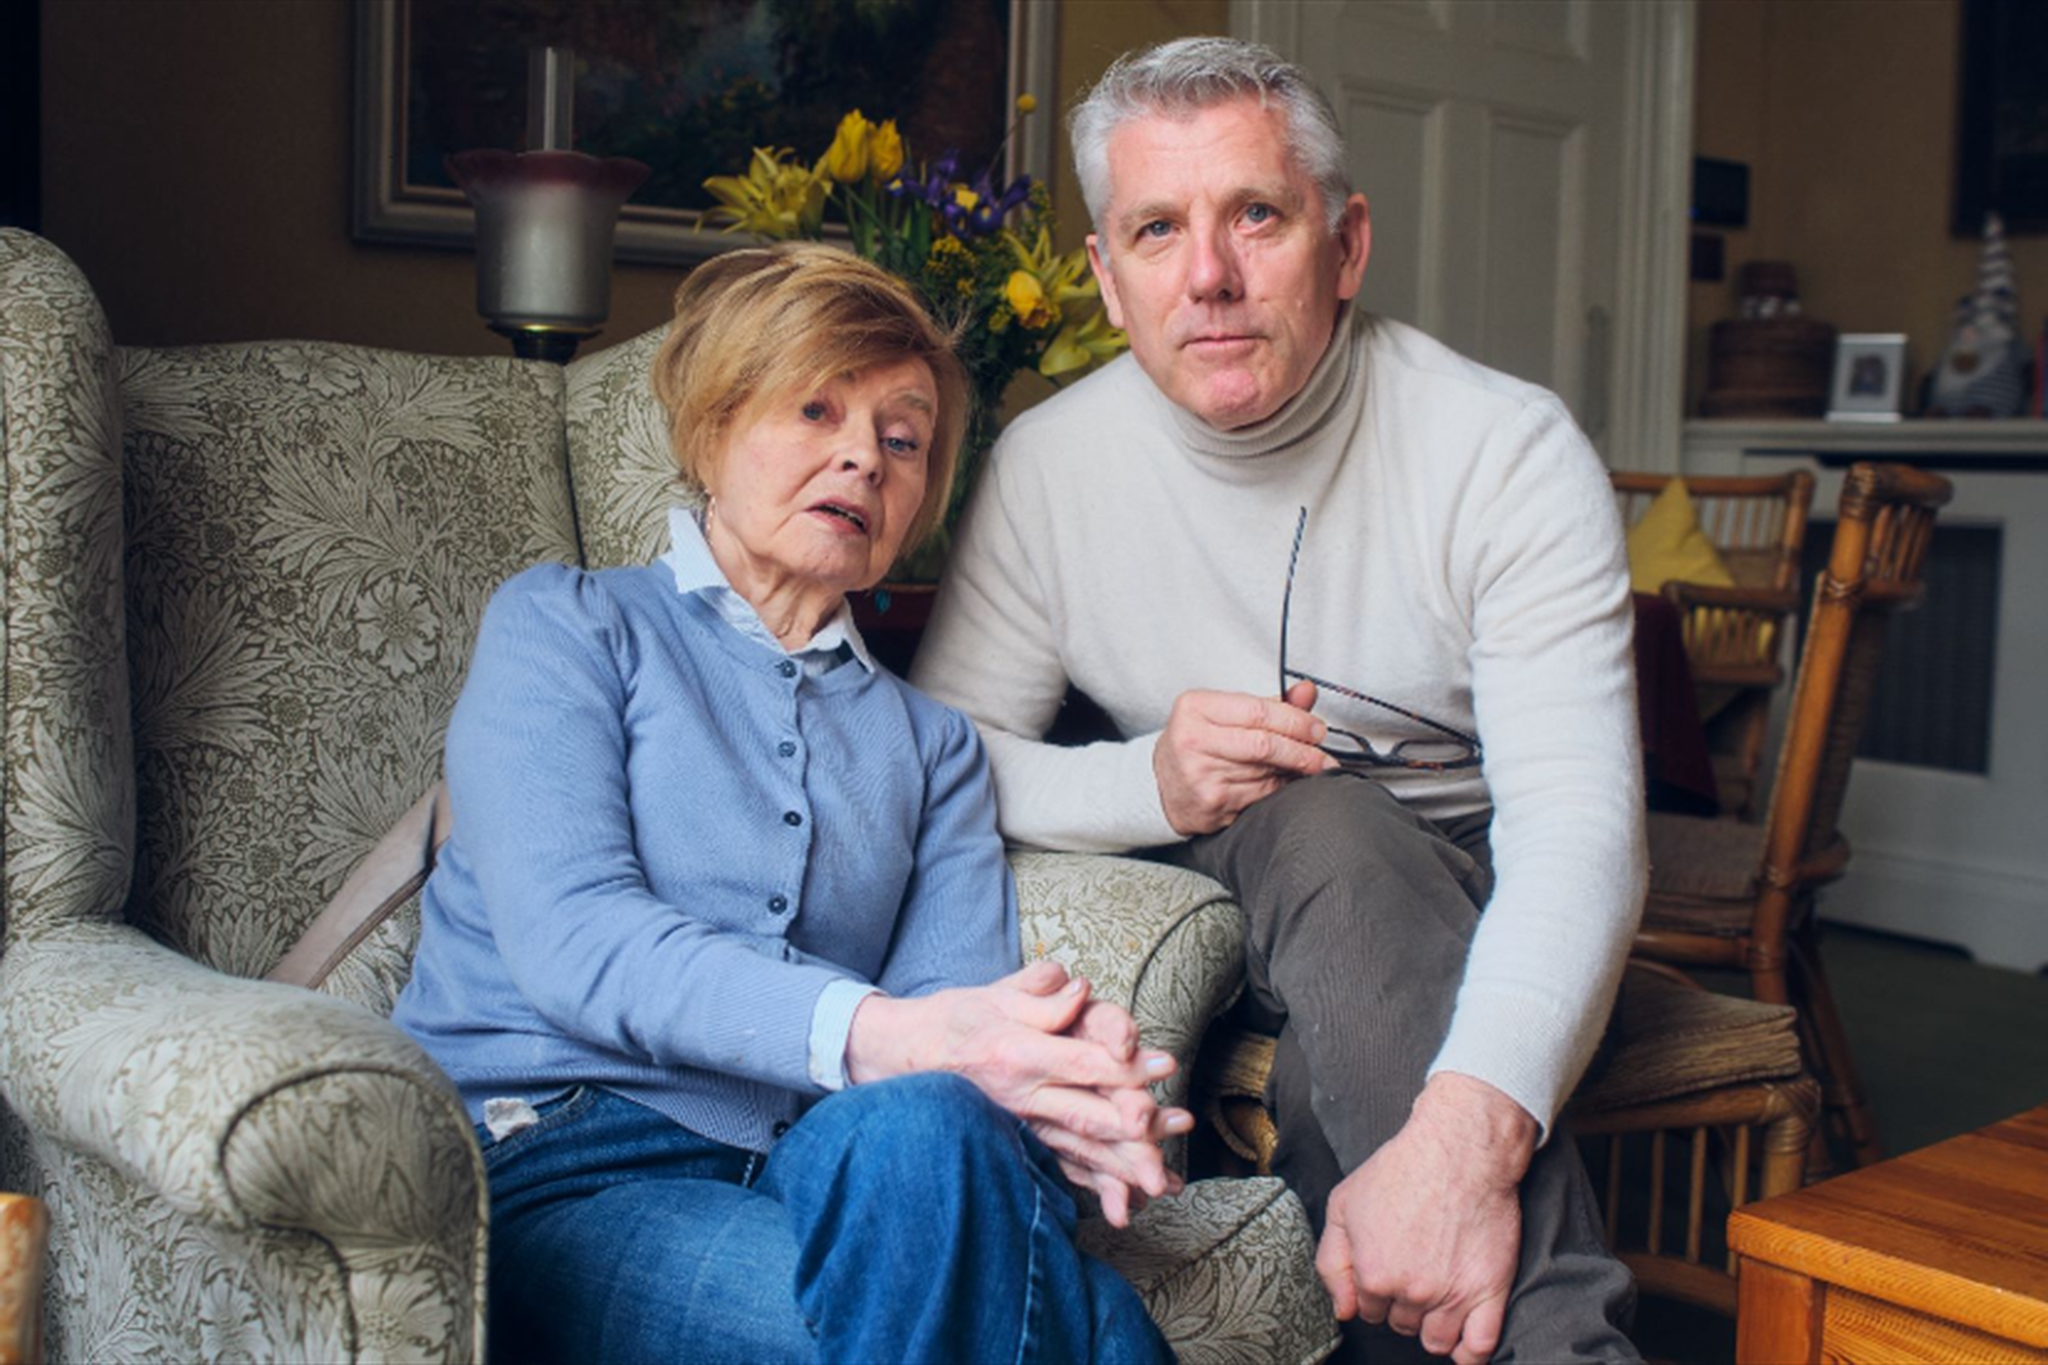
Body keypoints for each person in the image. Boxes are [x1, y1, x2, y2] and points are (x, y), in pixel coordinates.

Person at [912, 36, 1646, 1365]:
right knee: (1322, 822)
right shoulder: (1048, 468)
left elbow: (1580, 828)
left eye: (1257, 213)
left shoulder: (1504, 450)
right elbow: (939, 757)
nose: (1210, 275)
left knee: (1330, 1091)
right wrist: (1150, 783)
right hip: (1223, 873)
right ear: (1106, 278)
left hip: (1471, 892)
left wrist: (1458, 1143)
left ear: (1346, 244)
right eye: (1157, 228)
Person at [393, 242, 1187, 1365]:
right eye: (816, 410)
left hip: (817, 1170)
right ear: (713, 429)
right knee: (1096, 1335)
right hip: (561, 1159)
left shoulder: (933, 748)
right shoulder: (567, 629)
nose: (861, 459)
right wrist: (901, 1033)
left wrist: (1058, 1098)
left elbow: (945, 1044)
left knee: (931, 1123)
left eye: (901, 440)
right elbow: (576, 940)